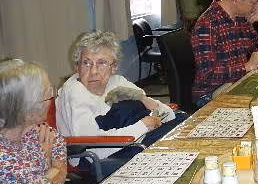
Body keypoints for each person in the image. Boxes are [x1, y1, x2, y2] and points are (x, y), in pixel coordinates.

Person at [56, 31, 186, 176]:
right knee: (174, 144)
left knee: (183, 122)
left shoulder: (117, 81)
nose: (93, 71)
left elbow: (167, 114)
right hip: (98, 157)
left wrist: (144, 99)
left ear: (114, 67)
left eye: (102, 63)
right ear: (76, 66)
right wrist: (143, 125)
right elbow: (93, 146)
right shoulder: (74, 93)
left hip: (133, 140)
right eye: (86, 63)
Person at [1, 59, 73, 184]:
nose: (52, 100)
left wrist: (53, 166)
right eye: (46, 95)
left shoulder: (28, 129)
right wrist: (49, 160)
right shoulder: (4, 159)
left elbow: (57, 141)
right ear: (24, 108)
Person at [191, 0, 258, 107]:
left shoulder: (240, 19)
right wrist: (246, 67)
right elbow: (208, 74)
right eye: (253, 2)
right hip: (210, 94)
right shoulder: (207, 24)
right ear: (235, 0)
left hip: (236, 84)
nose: (257, 7)